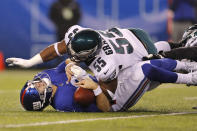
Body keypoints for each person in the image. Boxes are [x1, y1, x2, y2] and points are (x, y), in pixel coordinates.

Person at [75, 58, 197, 111]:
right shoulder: (65, 100)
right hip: (115, 101)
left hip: (109, 84)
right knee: (147, 69)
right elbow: (106, 108)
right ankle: (190, 79)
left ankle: (186, 66)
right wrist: (96, 88)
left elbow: (67, 63)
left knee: (152, 63)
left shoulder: (57, 77)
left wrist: (70, 67)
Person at [20, 60, 110, 112]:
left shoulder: (44, 75)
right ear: (41, 99)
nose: (38, 83)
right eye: (37, 87)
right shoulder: (64, 103)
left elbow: (71, 60)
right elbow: (105, 109)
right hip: (111, 94)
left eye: (34, 83)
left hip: (104, 76)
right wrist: (95, 88)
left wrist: (69, 65)